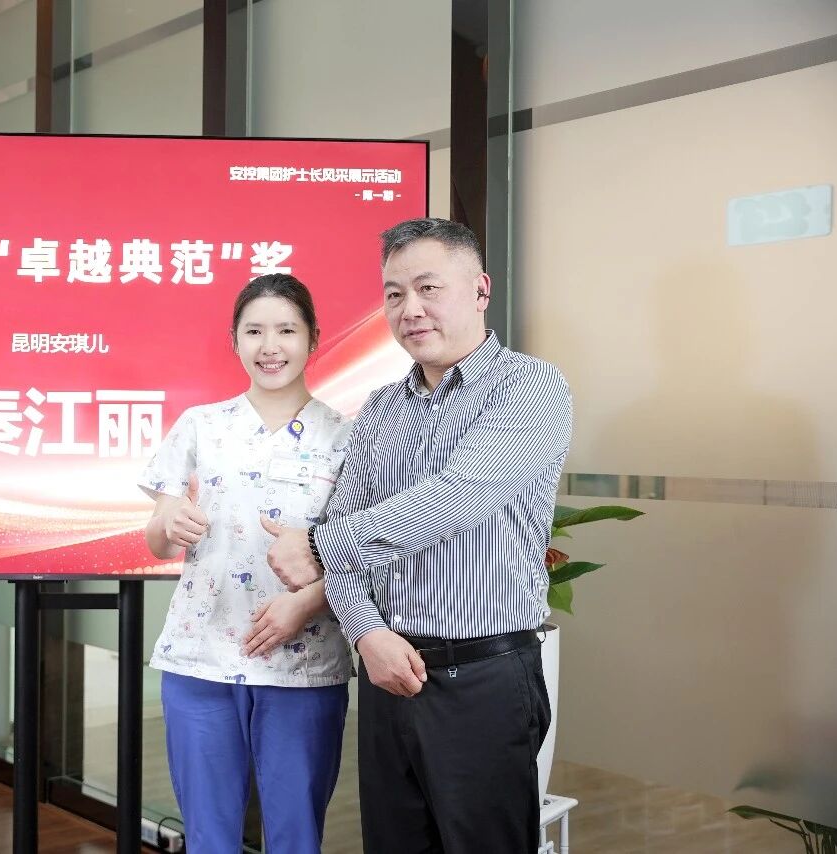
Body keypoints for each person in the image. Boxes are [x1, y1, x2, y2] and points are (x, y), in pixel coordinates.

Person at [263, 218, 572, 853]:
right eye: (395, 293)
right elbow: (346, 520)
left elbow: (458, 498)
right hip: (387, 674)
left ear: (480, 290)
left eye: (429, 288)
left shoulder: (531, 386)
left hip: (485, 678)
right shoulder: (380, 408)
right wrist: (366, 633)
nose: (410, 309)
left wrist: (316, 546)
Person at [139, 273, 354, 853]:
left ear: (313, 338)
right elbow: (158, 541)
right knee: (209, 838)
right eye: (254, 331)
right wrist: (168, 520)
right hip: (201, 657)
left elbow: (361, 553)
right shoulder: (200, 425)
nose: (270, 346)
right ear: (234, 340)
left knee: (295, 835)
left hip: (302, 663)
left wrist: (304, 603)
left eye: (287, 330)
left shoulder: (347, 437)